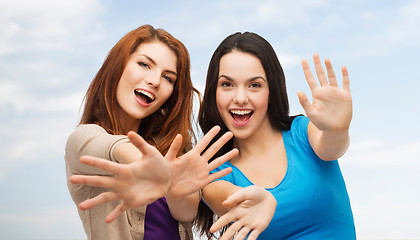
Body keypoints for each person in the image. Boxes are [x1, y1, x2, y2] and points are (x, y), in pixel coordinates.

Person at [65, 24, 237, 240]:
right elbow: (114, 148)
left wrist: (172, 184)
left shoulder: (174, 148)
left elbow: (186, 212)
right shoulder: (83, 138)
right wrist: (151, 168)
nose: (155, 81)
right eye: (144, 64)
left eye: (168, 78)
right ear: (117, 66)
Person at [194, 32, 356, 240]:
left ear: (271, 91)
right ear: (213, 92)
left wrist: (337, 130)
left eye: (255, 85)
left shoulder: (302, 132)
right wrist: (251, 201)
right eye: (227, 84)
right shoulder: (213, 169)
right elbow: (226, 197)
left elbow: (332, 146)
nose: (240, 98)